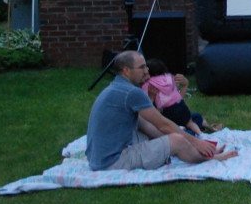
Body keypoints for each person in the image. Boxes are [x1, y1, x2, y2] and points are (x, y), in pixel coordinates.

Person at [85, 51, 237, 171]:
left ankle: (193, 150)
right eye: (142, 67)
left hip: (97, 158)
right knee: (176, 140)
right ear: (126, 71)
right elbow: (164, 124)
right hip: (112, 162)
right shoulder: (132, 93)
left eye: (146, 66)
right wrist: (197, 142)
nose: (147, 71)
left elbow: (153, 126)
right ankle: (209, 157)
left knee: (144, 123)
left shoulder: (117, 87)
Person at [141, 58, 215, 136]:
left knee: (196, 116)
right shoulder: (166, 80)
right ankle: (191, 132)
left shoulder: (148, 84)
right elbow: (155, 117)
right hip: (164, 123)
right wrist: (151, 97)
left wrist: (185, 85)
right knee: (190, 122)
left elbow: (177, 100)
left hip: (172, 116)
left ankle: (187, 130)